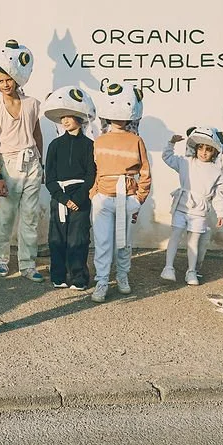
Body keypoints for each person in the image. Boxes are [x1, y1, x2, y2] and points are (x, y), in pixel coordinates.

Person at [0, 41, 43, 279]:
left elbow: (37, 134)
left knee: (30, 217)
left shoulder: (32, 104)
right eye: (0, 81)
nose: (5, 84)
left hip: (32, 163)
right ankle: (0, 260)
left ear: (16, 79)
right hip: (7, 165)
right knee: (6, 216)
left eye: (8, 79)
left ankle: (28, 264)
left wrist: (42, 163)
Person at [89, 84, 151, 303]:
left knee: (123, 242)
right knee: (103, 241)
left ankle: (123, 276)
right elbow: (94, 169)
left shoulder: (136, 140)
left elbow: (145, 171)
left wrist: (139, 198)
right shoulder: (99, 140)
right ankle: (102, 281)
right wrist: (94, 194)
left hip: (127, 197)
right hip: (103, 198)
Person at [42, 86, 97, 290]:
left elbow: (92, 174)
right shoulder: (55, 145)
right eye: (62, 117)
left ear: (79, 119)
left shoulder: (90, 145)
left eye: (69, 116)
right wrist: (62, 198)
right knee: (57, 238)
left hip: (81, 196)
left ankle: (79, 277)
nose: (65, 121)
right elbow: (50, 177)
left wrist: (80, 198)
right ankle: (58, 276)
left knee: (79, 238)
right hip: (60, 197)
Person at [160, 128, 223, 286]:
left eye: (208, 150)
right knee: (175, 235)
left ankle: (191, 271)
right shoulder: (185, 162)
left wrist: (220, 213)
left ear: (215, 152)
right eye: (200, 148)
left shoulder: (217, 172)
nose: (204, 152)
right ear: (196, 148)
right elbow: (167, 157)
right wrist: (171, 143)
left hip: (200, 211)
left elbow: (219, 194)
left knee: (194, 241)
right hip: (182, 206)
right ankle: (168, 267)